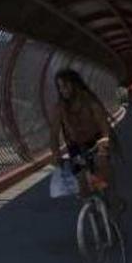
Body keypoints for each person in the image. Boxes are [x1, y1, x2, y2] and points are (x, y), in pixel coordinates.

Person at [49, 69, 123, 210]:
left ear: (74, 84)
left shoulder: (89, 101)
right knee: (82, 181)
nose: (62, 90)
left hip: (96, 141)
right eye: (59, 87)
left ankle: (112, 199)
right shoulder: (60, 108)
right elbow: (53, 135)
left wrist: (105, 141)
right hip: (75, 146)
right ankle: (93, 212)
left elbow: (104, 126)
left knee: (101, 166)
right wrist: (56, 154)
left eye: (65, 86)